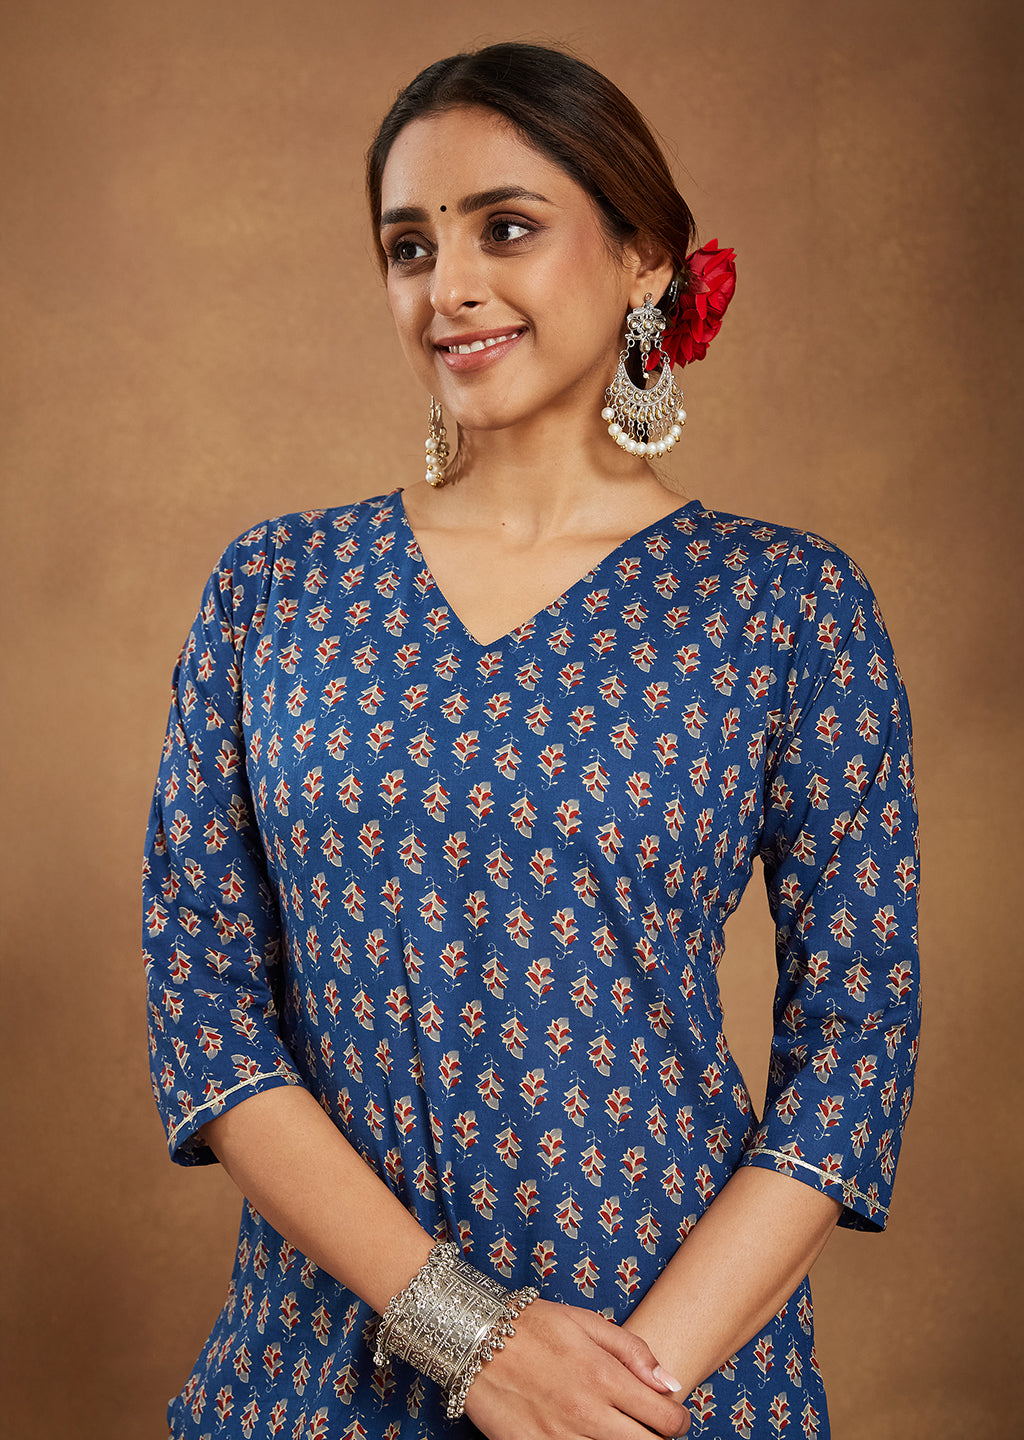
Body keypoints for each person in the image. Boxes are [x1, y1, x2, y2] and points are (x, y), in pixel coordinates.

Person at [143, 42, 920, 1440]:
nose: (447, 286)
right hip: (317, 1377)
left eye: (505, 228)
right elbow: (203, 1004)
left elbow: (855, 1041)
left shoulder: (785, 607)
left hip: (665, 1374)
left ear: (644, 259)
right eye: (409, 246)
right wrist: (471, 1338)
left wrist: (619, 1391)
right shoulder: (276, 590)